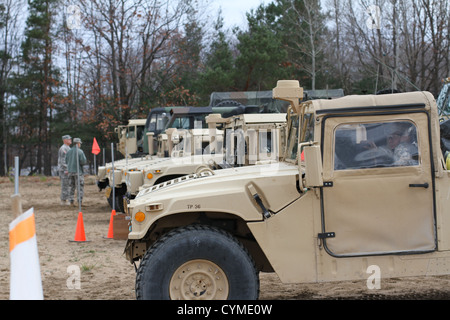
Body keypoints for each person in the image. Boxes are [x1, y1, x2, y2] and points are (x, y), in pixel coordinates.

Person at [66, 138, 87, 206]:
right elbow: (83, 161)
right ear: (78, 143)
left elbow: (66, 161)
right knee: (79, 187)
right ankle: (79, 202)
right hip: (78, 172)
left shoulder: (68, 151)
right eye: (80, 143)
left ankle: (71, 202)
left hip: (70, 171)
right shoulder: (80, 151)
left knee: (71, 187)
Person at [58, 135, 72, 205]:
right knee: (65, 185)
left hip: (67, 170)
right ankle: (63, 200)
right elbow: (63, 161)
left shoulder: (68, 148)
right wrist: (68, 169)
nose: (70, 140)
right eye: (69, 139)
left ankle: (67, 199)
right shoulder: (63, 148)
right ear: (65, 140)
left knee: (68, 185)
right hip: (64, 170)